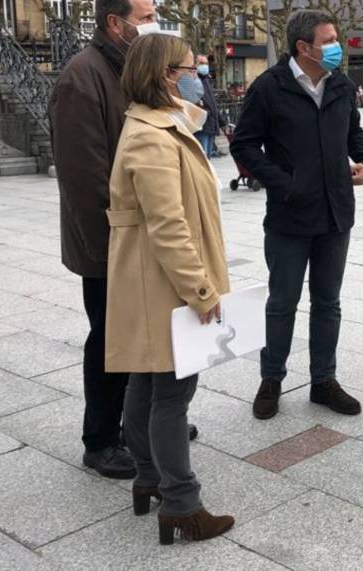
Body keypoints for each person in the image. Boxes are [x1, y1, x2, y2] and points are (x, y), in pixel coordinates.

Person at [106, 33, 233, 545]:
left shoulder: (156, 125)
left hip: (150, 281)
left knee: (147, 386)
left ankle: (149, 479)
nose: (197, 74)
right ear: (164, 75)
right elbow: (169, 226)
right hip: (165, 285)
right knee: (172, 397)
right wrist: (200, 291)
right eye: (189, 67)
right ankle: (182, 503)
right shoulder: (152, 136)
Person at [231, 10, 363, 420]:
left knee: (328, 302)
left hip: (335, 216)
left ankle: (323, 381)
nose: (336, 46)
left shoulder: (342, 86)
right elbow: (244, 146)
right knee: (282, 303)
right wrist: (284, 183)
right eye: (328, 40)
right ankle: (271, 379)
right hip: (289, 218)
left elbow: (355, 135)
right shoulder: (269, 88)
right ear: (303, 47)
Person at [49, 0, 162, 480]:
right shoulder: (82, 78)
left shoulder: (134, 71)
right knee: (110, 339)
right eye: (145, 17)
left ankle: (139, 422)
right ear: (115, 23)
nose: (151, 25)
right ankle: (100, 440)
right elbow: (84, 180)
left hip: (139, 235)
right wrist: (111, 249)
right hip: (109, 242)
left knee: (142, 334)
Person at [193, 55, 221, 159]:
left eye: (206, 63)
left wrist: (221, 122)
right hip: (202, 126)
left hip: (210, 125)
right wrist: (206, 113)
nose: (204, 66)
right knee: (202, 159)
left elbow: (212, 104)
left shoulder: (206, 80)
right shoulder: (194, 80)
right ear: (195, 65)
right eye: (201, 63)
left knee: (207, 159)